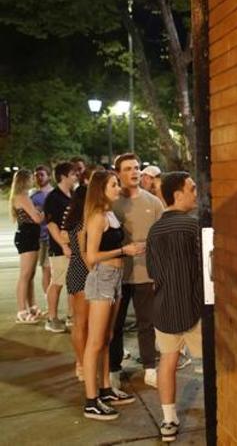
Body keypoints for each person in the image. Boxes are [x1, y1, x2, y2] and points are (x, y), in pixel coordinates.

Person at [146, 172, 203, 442]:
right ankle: (219, 410)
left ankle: (168, 420)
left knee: (167, 363)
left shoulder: (154, 230)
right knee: (209, 364)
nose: (196, 193)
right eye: (192, 189)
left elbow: (153, 272)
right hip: (195, 308)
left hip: (165, 308)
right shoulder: (194, 227)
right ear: (178, 194)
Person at [82, 170, 142, 420]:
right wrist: (123, 250)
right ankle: (91, 400)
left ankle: (106, 388)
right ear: (101, 189)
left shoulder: (110, 214)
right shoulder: (97, 217)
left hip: (115, 279)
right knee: (95, 342)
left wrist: (130, 250)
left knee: (107, 336)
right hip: (102, 279)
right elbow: (91, 256)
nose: (119, 188)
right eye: (114, 184)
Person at [109, 153, 164, 390]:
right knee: (115, 325)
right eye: (128, 168)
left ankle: (150, 368)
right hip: (117, 275)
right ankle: (113, 368)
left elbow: (162, 239)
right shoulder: (110, 202)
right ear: (119, 173)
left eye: (137, 167)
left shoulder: (153, 202)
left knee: (147, 323)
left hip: (146, 273)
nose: (134, 172)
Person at [43, 162, 78, 332]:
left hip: (74, 247)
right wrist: (64, 245)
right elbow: (51, 225)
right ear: (63, 176)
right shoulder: (53, 197)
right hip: (60, 248)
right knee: (57, 282)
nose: (75, 176)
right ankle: (51, 318)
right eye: (72, 174)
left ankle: (72, 316)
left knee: (72, 284)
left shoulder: (72, 195)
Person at [9, 169, 44, 323]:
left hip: (29, 235)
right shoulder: (22, 196)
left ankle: (32, 306)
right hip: (27, 236)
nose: (33, 180)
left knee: (30, 275)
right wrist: (43, 213)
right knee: (25, 275)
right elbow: (37, 219)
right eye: (31, 178)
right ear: (24, 180)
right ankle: (22, 311)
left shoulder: (22, 196)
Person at [64, 185, 90, 381]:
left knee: (78, 323)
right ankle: (82, 365)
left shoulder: (73, 220)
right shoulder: (83, 223)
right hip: (84, 272)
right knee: (82, 323)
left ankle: (81, 363)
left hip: (74, 270)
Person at [31, 165, 53, 306]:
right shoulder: (33, 196)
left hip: (55, 237)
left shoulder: (55, 194)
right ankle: (49, 302)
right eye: (36, 175)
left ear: (49, 176)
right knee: (46, 271)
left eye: (41, 174)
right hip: (42, 238)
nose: (39, 177)